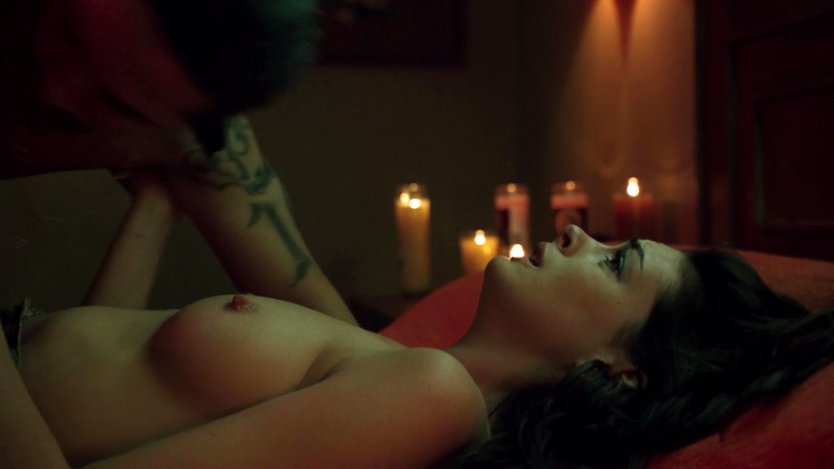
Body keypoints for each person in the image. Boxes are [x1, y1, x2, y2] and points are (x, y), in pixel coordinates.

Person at [2, 119, 832, 467]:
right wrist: (156, 206)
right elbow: (109, 366)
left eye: (616, 263)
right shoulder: (396, 363)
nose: (581, 233)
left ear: (620, 370)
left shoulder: (432, 396)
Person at [1, 0, 319, 178]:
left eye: (116, 104)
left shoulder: (182, 138)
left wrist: (154, 208)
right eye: (70, 35)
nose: (53, 92)